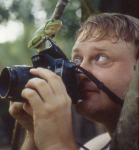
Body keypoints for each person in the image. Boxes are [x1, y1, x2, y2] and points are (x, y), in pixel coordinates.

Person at [9, 13, 139, 150]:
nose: (79, 73)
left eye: (101, 58)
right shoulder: (98, 145)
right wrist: (34, 130)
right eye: (77, 60)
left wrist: (57, 144)